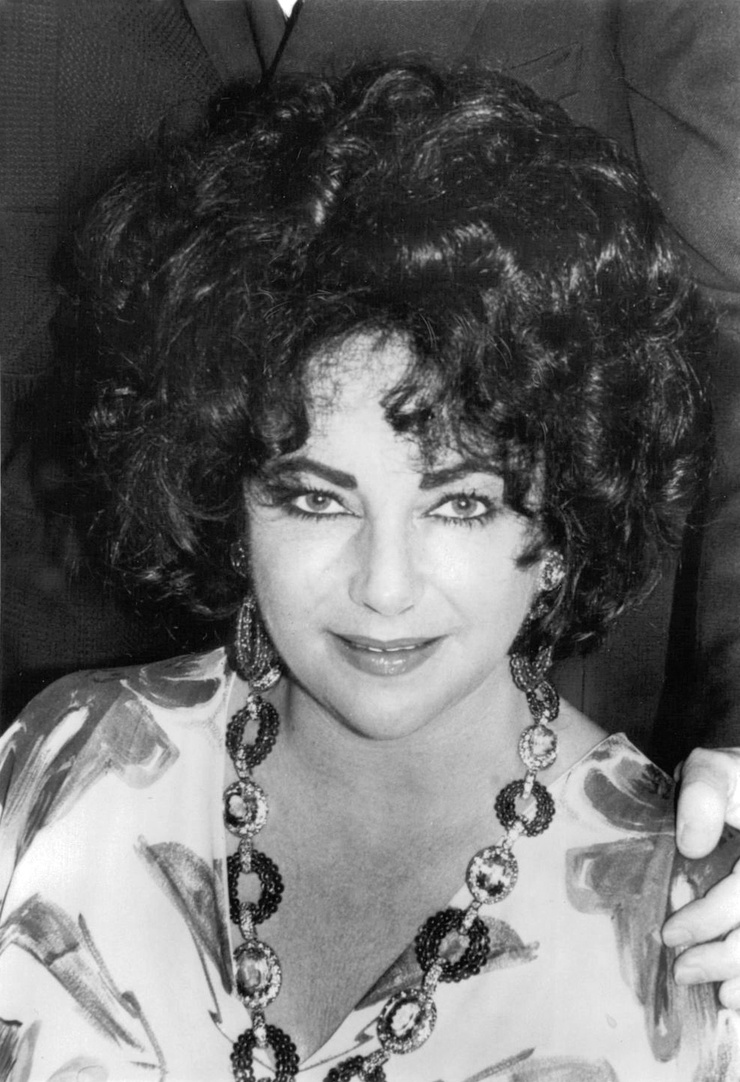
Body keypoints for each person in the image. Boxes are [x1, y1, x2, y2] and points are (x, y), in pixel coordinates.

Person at [2, 62, 740, 1080]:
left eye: (461, 503)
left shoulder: (696, 925)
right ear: (227, 500)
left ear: (567, 520)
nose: (383, 588)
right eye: (315, 499)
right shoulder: (65, 765)